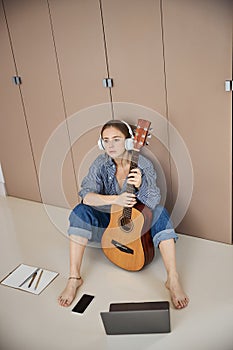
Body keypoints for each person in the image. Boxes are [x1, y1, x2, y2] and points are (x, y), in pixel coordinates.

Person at [58, 120, 189, 309]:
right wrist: (115, 200)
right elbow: (86, 196)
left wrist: (142, 184)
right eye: (106, 140)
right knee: (80, 212)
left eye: (116, 140)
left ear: (128, 142)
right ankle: (74, 278)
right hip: (109, 224)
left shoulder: (143, 164)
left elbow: (152, 203)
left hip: (137, 226)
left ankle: (173, 279)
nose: (110, 145)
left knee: (161, 212)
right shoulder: (100, 163)